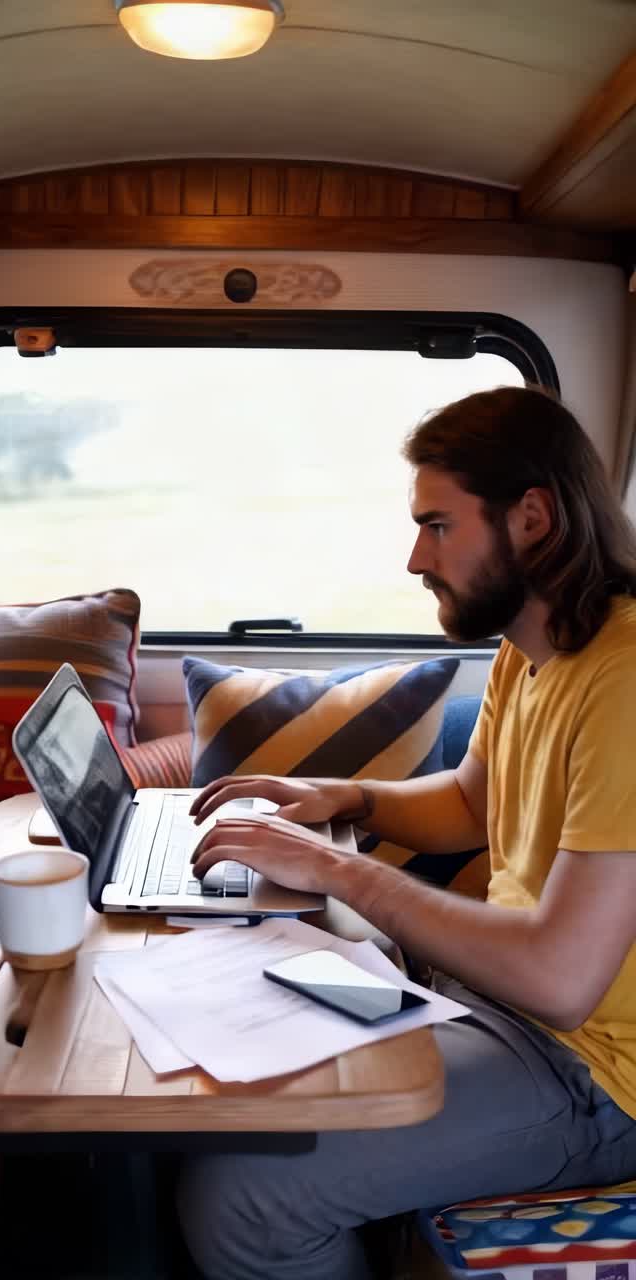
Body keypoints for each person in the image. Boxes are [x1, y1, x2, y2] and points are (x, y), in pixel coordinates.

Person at [178, 386, 636, 1280]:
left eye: (438, 525)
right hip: (506, 1009)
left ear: (532, 518)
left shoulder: (624, 681)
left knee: (238, 1196)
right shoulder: (534, 646)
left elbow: (562, 978)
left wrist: (338, 873)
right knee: (230, 1075)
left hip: (597, 1076)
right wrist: (340, 797)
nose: (415, 557)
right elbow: (471, 803)